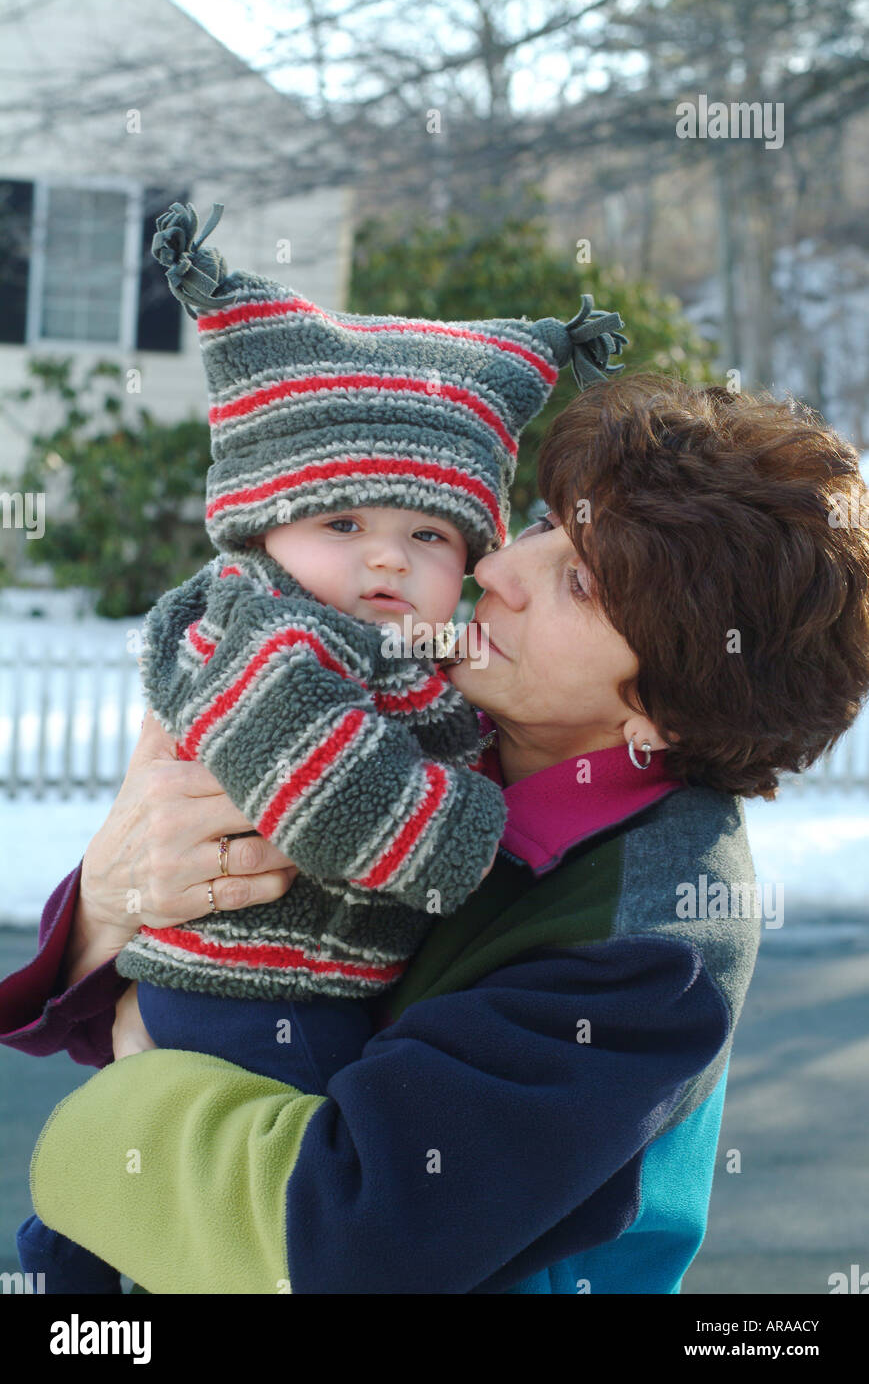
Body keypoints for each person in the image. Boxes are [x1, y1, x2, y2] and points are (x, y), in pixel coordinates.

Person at [4, 372, 868, 1294]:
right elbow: (218, 958)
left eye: (578, 581)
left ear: (676, 711)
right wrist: (109, 900)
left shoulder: (652, 942)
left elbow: (351, 1238)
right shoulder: (419, 735)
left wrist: (120, 1104)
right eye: (539, 524)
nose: (494, 568)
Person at [12, 200, 627, 1293]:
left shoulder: (423, 660)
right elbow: (346, 804)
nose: (384, 561)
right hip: (246, 1003)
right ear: (263, 523)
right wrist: (464, 828)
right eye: (341, 524)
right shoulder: (269, 633)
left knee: (202, 1226)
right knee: (159, 1241)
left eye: (427, 535)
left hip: (308, 1012)